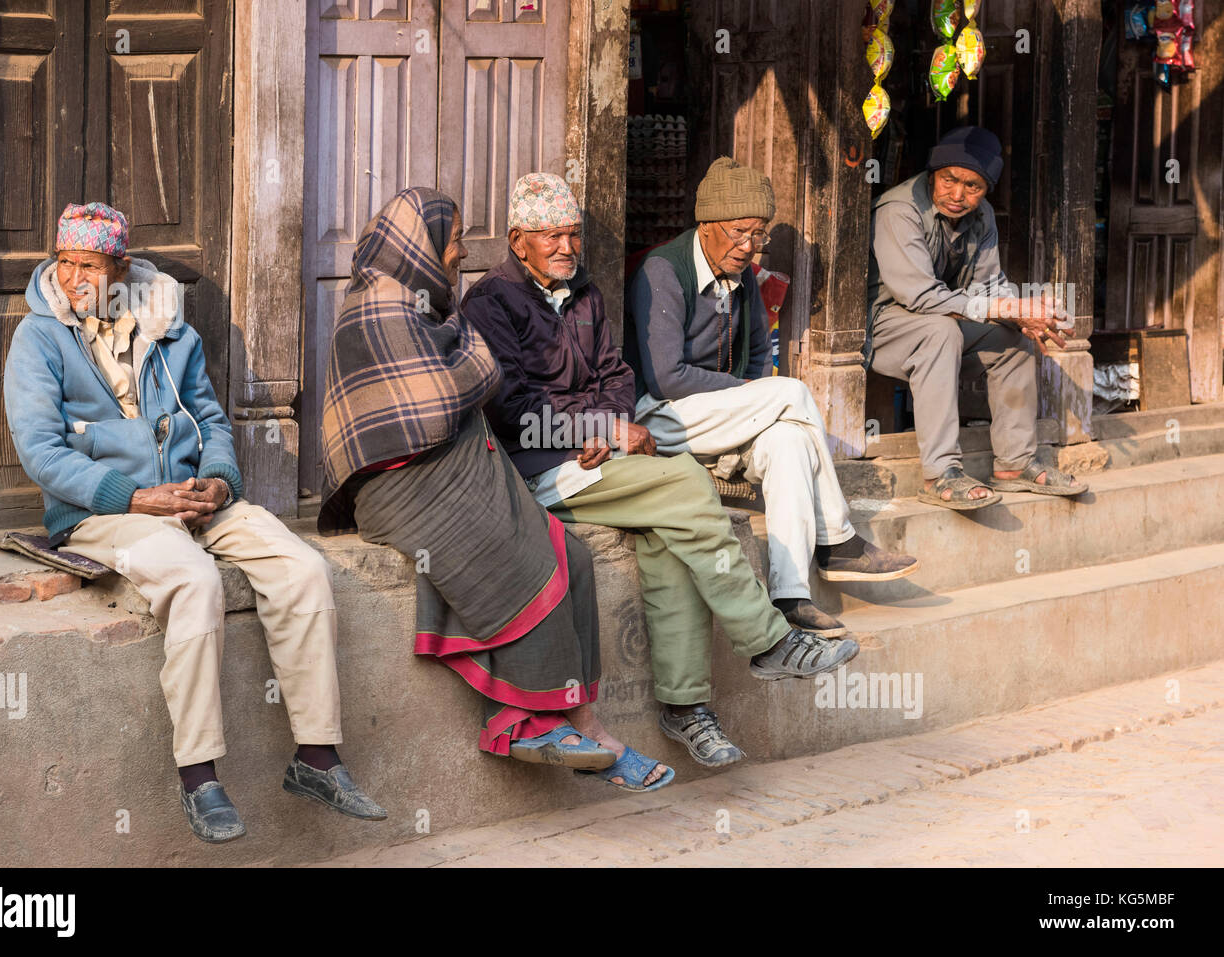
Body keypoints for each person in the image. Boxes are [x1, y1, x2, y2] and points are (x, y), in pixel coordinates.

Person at [3, 202, 384, 844]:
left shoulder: (170, 330)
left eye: (89, 266)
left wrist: (219, 481)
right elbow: (41, 451)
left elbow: (208, 420)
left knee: (302, 568)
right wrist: (133, 496)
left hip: (190, 497)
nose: (72, 279)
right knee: (193, 578)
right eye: (64, 262)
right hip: (103, 510)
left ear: (120, 267)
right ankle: (199, 773)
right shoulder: (37, 339)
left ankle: (316, 758)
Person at [462, 173, 859, 771]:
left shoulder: (587, 294)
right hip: (537, 467)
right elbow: (511, 410)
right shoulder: (492, 303)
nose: (568, 247)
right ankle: (768, 638)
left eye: (573, 234)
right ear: (519, 242)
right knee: (687, 483)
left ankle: (685, 707)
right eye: (552, 237)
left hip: (600, 459)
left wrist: (609, 426)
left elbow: (618, 378)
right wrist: (590, 431)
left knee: (667, 536)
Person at [318, 186, 673, 792]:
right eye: (452, 239)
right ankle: (525, 720)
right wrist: (472, 366)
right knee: (526, 563)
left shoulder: (431, 305)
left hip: (456, 467)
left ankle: (585, 718)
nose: (459, 252)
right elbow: (460, 388)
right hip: (396, 486)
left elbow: (478, 376)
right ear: (420, 246)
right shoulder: (376, 307)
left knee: (575, 558)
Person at [627, 158, 919, 641]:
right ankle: (839, 538)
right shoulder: (663, 270)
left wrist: (758, 400)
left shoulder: (742, 277)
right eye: (740, 232)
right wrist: (754, 395)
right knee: (792, 393)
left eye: (758, 235)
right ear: (707, 224)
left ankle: (790, 594)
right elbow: (666, 379)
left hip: (726, 414)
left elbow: (761, 352)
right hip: (661, 416)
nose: (748, 246)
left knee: (788, 440)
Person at [866, 126, 1088, 509]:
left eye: (973, 186)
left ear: (986, 189)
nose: (958, 195)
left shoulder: (981, 215)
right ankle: (941, 472)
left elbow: (990, 286)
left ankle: (1015, 463)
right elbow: (918, 295)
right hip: (885, 327)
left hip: (942, 323)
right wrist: (1004, 308)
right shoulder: (898, 211)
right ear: (933, 173)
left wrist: (1026, 313)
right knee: (942, 332)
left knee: (1014, 339)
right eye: (949, 180)